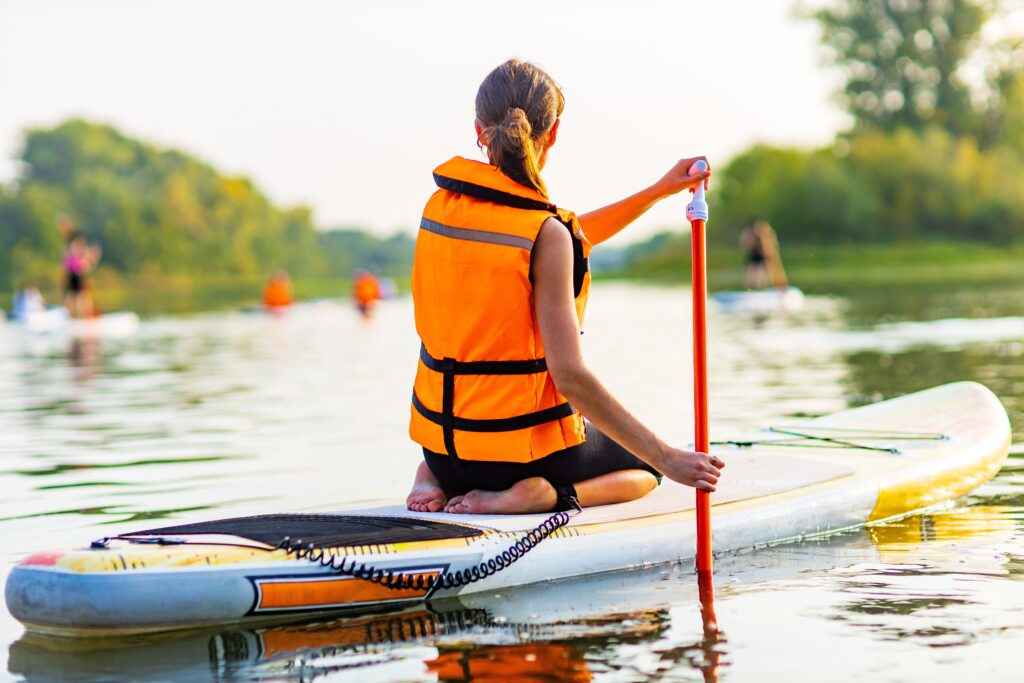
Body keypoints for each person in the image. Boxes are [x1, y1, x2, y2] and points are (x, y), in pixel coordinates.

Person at [406, 59, 724, 516]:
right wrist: (667, 456)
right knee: (644, 469)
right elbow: (569, 376)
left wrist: (658, 191)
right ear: (553, 133)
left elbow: (568, 237)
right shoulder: (542, 233)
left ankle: (431, 478)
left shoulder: (439, 208)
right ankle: (544, 496)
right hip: (514, 462)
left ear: (478, 129)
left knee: (460, 438)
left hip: (443, 449)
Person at [62, 231, 102, 318]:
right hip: (73, 276)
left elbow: (91, 261)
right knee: (73, 297)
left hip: (81, 276)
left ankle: (85, 316)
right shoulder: (73, 248)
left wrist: (95, 254)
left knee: (84, 297)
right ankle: (72, 317)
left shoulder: (81, 249)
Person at [739, 219, 788, 290]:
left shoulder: (767, 235)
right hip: (755, 257)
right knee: (751, 276)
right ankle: (751, 290)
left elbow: (771, 247)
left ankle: (763, 289)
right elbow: (745, 245)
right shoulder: (753, 236)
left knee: (762, 276)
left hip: (764, 258)